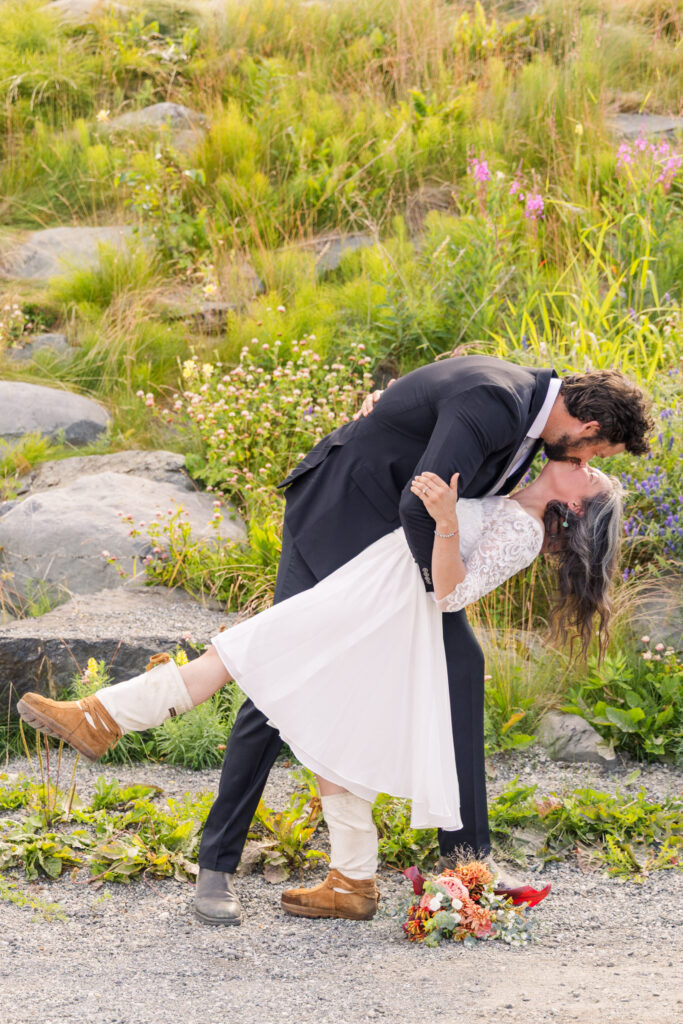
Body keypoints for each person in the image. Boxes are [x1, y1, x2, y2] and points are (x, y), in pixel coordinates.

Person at [17, 355, 653, 926]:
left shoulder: (529, 421)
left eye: (593, 469)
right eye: (595, 457)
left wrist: (399, 420)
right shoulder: (499, 400)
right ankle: (221, 860)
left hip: (399, 568)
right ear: (587, 426)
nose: (588, 464)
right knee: (268, 676)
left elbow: (444, 462)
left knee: (310, 670)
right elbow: (421, 499)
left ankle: (414, 868)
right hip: (349, 528)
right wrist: (429, 582)